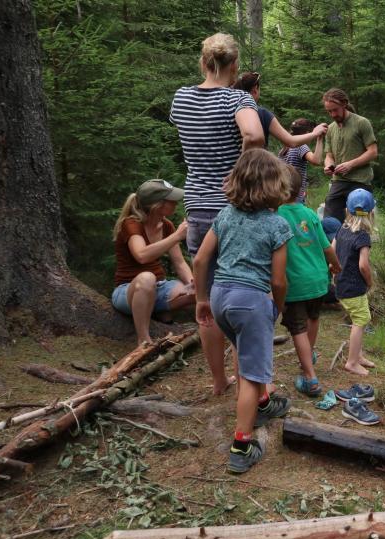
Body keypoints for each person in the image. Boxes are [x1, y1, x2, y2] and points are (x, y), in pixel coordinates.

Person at [170, 33, 264, 395]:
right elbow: (254, 136)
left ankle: (218, 381)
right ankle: (246, 383)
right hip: (233, 207)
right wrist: (239, 173)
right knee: (241, 290)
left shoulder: (182, 97)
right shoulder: (237, 97)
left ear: (203, 61)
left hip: (197, 203)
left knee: (205, 296)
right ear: (234, 65)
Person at [193, 149, 293, 474]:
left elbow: (199, 260)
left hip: (221, 295)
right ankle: (241, 444)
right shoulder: (277, 225)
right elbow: (278, 280)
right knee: (251, 374)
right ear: (274, 186)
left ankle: (263, 404)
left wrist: (201, 298)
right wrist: (276, 308)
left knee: (244, 350)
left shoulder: (225, 215)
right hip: (251, 300)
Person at [277, 165, 341, 397]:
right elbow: (326, 247)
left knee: (297, 328)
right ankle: (309, 354)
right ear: (300, 191)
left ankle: (310, 377)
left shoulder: (276, 216)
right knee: (314, 317)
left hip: (295, 283)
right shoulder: (311, 214)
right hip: (318, 279)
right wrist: (335, 266)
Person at [112, 180, 195, 345]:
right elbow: (141, 255)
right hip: (128, 290)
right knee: (147, 278)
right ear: (157, 205)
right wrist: (177, 236)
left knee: (198, 292)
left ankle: (158, 312)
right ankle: (144, 340)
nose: (176, 203)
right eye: (171, 200)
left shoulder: (166, 225)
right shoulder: (131, 224)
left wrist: (192, 284)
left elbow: (179, 263)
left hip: (160, 287)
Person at [332, 189, 377, 376]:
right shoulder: (363, 236)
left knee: (357, 318)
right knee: (361, 320)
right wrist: (370, 282)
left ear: (348, 210)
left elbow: (332, 250)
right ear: (371, 213)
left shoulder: (342, 229)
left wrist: (334, 273)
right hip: (354, 287)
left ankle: (358, 355)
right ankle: (351, 362)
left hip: (341, 284)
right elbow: (363, 265)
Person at [232, 72, 327, 153]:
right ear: (255, 90)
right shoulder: (262, 113)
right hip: (253, 169)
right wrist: (314, 133)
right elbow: (290, 141)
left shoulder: (228, 109)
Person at [321, 88, 377, 222]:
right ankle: (335, 242)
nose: (333, 114)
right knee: (330, 223)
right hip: (338, 182)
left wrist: (350, 165)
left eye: (335, 110)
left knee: (360, 224)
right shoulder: (331, 129)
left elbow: (373, 152)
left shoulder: (361, 123)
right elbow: (329, 155)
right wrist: (329, 165)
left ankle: (360, 242)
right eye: (329, 111)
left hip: (360, 182)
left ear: (344, 104)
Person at [278, 119, 325, 204]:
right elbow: (316, 160)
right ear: (307, 133)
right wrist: (320, 139)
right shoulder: (301, 146)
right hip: (295, 196)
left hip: (283, 193)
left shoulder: (284, 148)